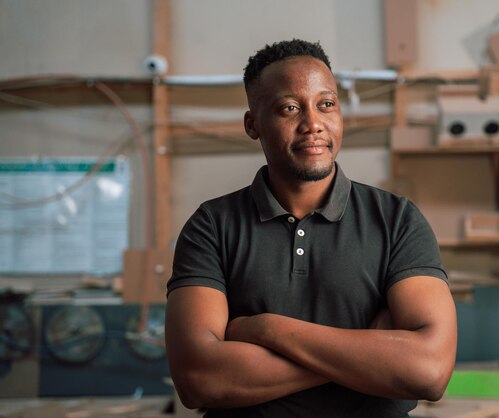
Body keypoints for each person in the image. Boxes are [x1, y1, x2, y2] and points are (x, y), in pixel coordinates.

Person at [165, 39, 457, 418]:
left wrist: (267, 330)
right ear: (253, 125)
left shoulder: (397, 220)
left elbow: (428, 372)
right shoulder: (211, 226)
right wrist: (370, 351)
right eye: (289, 108)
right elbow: (199, 379)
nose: (313, 124)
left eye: (326, 104)